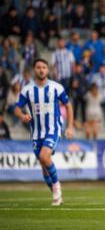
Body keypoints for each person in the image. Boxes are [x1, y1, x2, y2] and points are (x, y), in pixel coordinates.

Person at [14, 58, 74, 205]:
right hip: (36, 132)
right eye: (38, 67)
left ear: (48, 70)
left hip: (53, 129)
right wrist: (22, 115)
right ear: (34, 69)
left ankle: (57, 186)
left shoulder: (56, 87)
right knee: (43, 164)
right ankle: (56, 194)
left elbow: (68, 106)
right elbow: (16, 109)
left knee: (44, 156)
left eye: (44, 67)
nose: (41, 70)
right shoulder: (27, 89)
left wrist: (70, 126)